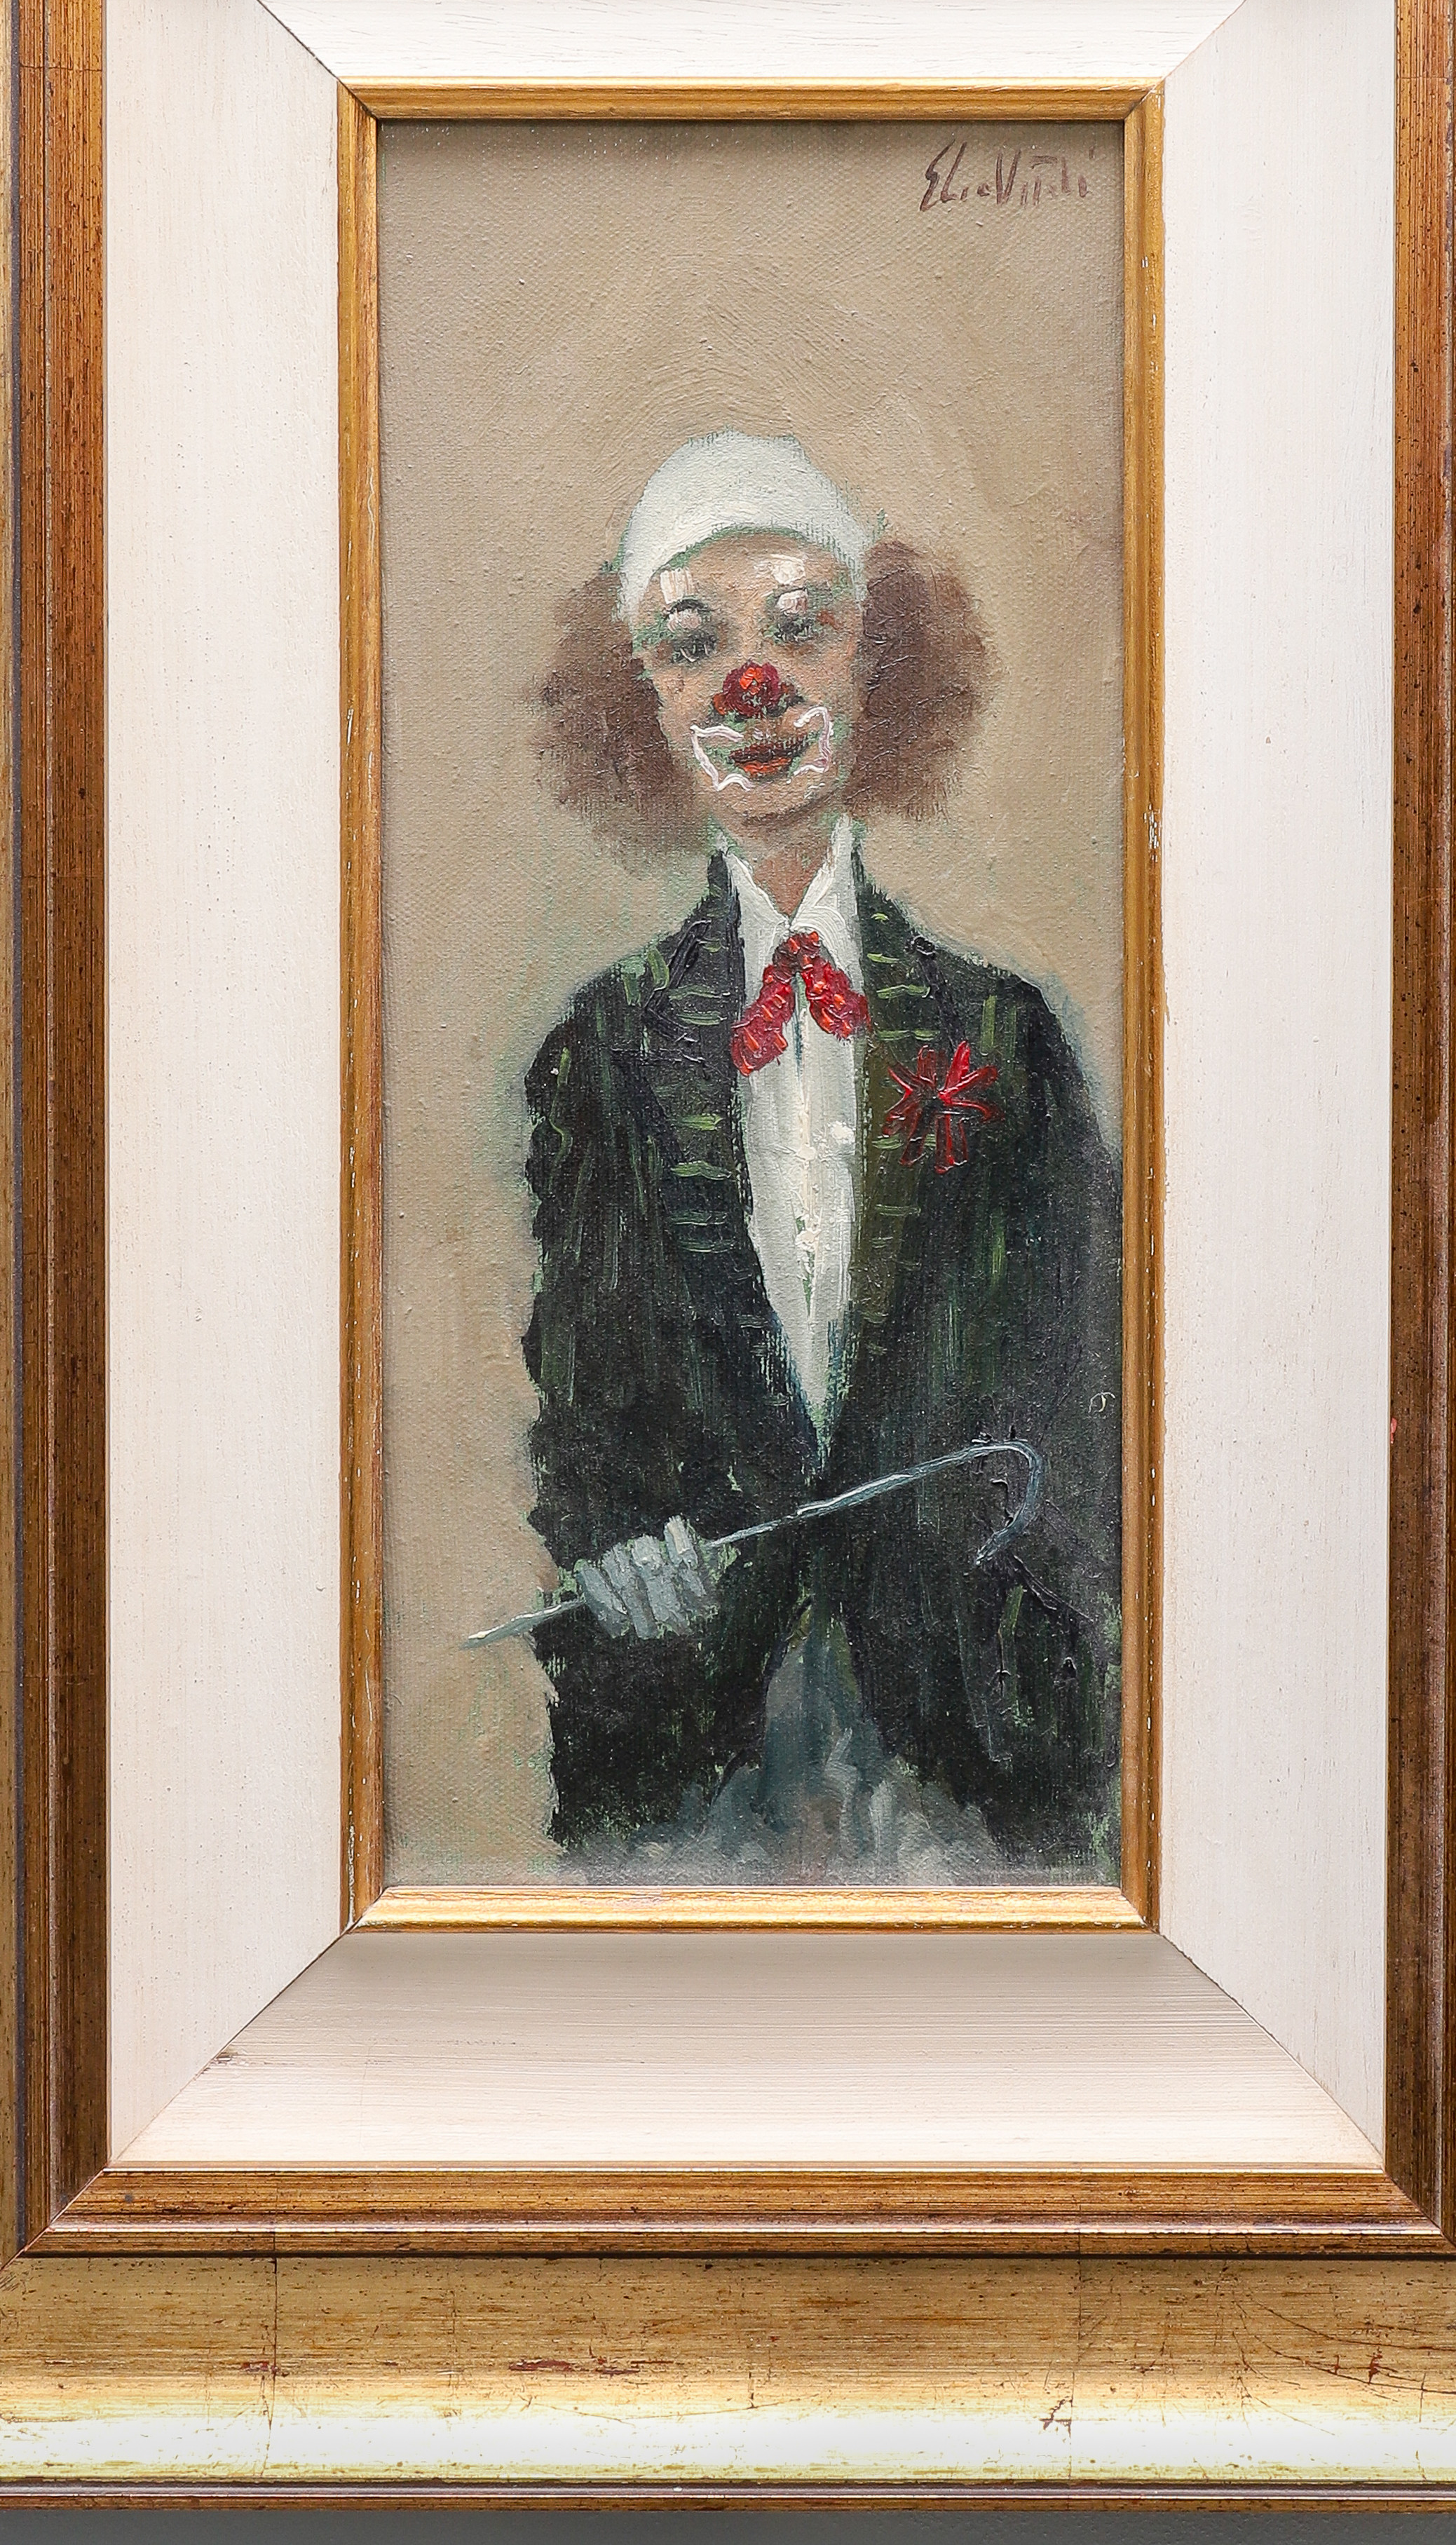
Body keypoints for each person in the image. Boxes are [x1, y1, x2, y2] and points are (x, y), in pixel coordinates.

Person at [522, 431, 1122, 1875]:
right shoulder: (598, 1055)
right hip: (695, 1752)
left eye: (802, 628)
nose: (754, 685)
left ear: (877, 664)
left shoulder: (1007, 1037)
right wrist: (625, 1554)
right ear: (644, 702)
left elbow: (1084, 1403)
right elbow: (587, 1422)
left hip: (978, 1751)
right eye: (693, 646)